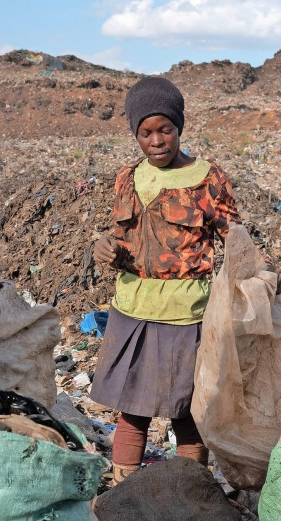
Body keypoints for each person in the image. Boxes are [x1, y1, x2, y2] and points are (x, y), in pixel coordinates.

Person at [91, 76, 239, 483]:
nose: (156, 141)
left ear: (179, 128)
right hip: (131, 311)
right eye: (145, 132)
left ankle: (192, 494)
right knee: (132, 410)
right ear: (135, 135)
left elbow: (236, 241)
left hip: (187, 316)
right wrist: (104, 248)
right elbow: (123, 239)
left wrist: (258, 282)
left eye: (165, 130)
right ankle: (123, 497)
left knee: (188, 411)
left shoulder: (208, 180)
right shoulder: (127, 178)